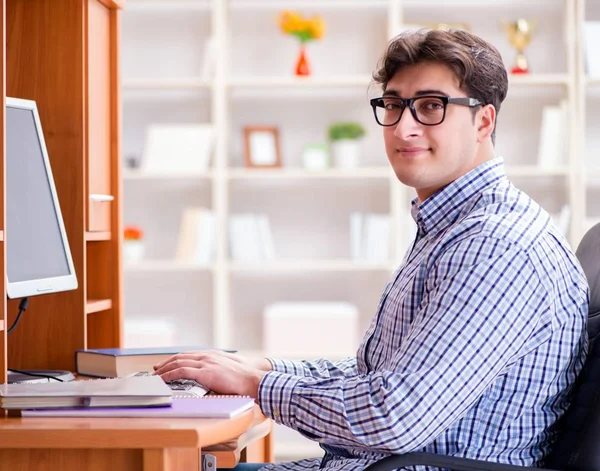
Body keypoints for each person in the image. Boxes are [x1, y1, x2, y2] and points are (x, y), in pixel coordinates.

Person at [153, 29, 589, 471]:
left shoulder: (497, 247)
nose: (404, 127)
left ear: (484, 121)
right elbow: (380, 377)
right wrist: (263, 367)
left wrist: (258, 384)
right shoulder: (453, 227)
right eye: (395, 104)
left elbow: (396, 414)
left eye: (431, 106)